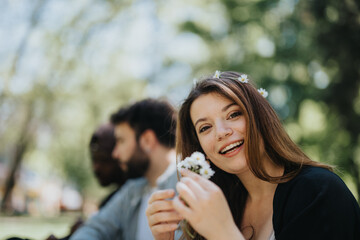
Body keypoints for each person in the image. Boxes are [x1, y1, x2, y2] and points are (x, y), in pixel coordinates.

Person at [146, 71, 360, 240]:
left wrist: (223, 233)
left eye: (233, 114)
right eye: (205, 128)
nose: (222, 132)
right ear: (201, 150)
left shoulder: (317, 191)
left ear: (260, 118)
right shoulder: (220, 207)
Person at [70, 98, 178, 240]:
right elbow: (95, 228)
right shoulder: (133, 190)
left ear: (147, 141)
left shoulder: (188, 185)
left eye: (121, 141)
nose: (115, 154)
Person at [46, 123, 128, 240]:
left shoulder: (133, 197)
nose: (96, 168)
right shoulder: (110, 201)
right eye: (94, 160)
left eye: (103, 160)